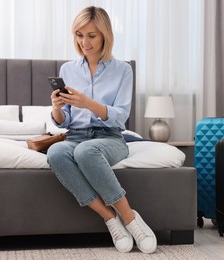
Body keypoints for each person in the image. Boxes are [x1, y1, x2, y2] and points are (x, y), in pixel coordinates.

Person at [47, 6, 157, 254]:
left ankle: (130, 218)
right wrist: (56, 108)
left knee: (87, 152)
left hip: (110, 138)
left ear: (105, 35)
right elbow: (63, 121)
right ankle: (110, 218)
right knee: (56, 153)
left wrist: (88, 103)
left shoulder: (123, 70)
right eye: (79, 35)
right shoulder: (68, 69)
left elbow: (120, 116)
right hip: (75, 136)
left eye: (91, 35)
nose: (84, 42)